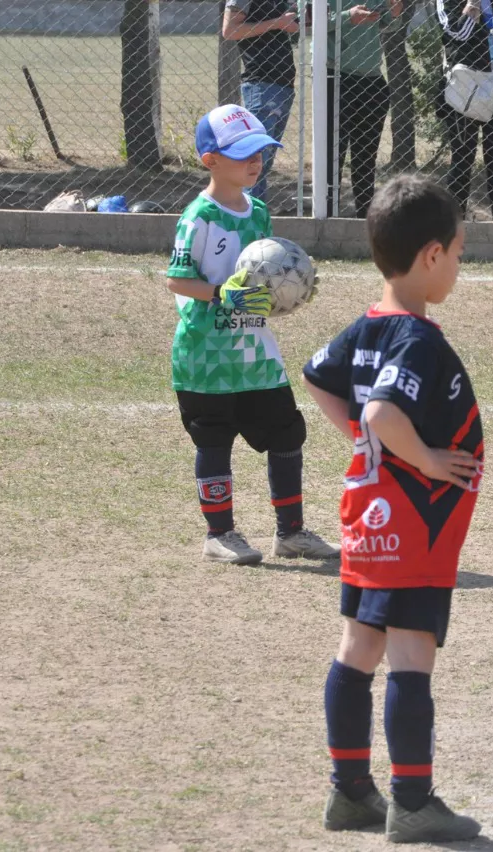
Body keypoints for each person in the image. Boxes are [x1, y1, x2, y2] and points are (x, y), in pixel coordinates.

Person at [302, 175, 485, 843]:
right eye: (460, 253)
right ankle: (412, 801)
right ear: (432, 255)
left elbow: (319, 378)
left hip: (365, 513)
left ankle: (350, 793)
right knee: (411, 654)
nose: (460, 267)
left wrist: (363, 441)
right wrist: (428, 461)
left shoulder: (367, 326)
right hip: (414, 523)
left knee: (358, 646)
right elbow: (381, 410)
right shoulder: (418, 339)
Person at [165, 104, 337, 564]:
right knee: (214, 440)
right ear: (211, 160)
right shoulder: (199, 216)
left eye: (260, 151)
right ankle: (219, 535)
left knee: (286, 433)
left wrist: (285, 294)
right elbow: (177, 280)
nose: (255, 161)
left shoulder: (258, 212)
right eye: (243, 153)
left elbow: (261, 276)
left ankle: (291, 533)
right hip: (206, 356)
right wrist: (223, 295)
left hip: (256, 353)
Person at [437, 0, 493, 220]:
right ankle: (455, 226)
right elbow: (456, 33)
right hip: (465, 87)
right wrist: (473, 5)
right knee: (462, 159)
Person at [326, 0, 401, 216]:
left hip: (372, 81)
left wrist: (395, 11)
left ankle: (364, 222)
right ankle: (327, 218)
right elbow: (308, 24)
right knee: (332, 156)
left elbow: (392, 23)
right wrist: (347, 16)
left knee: (366, 160)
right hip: (335, 76)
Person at [222, 0, 301, 204]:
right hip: (261, 85)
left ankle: (256, 219)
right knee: (255, 162)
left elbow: (287, 25)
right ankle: (246, 221)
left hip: (283, 87)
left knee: (262, 165)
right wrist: (277, 23)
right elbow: (230, 30)